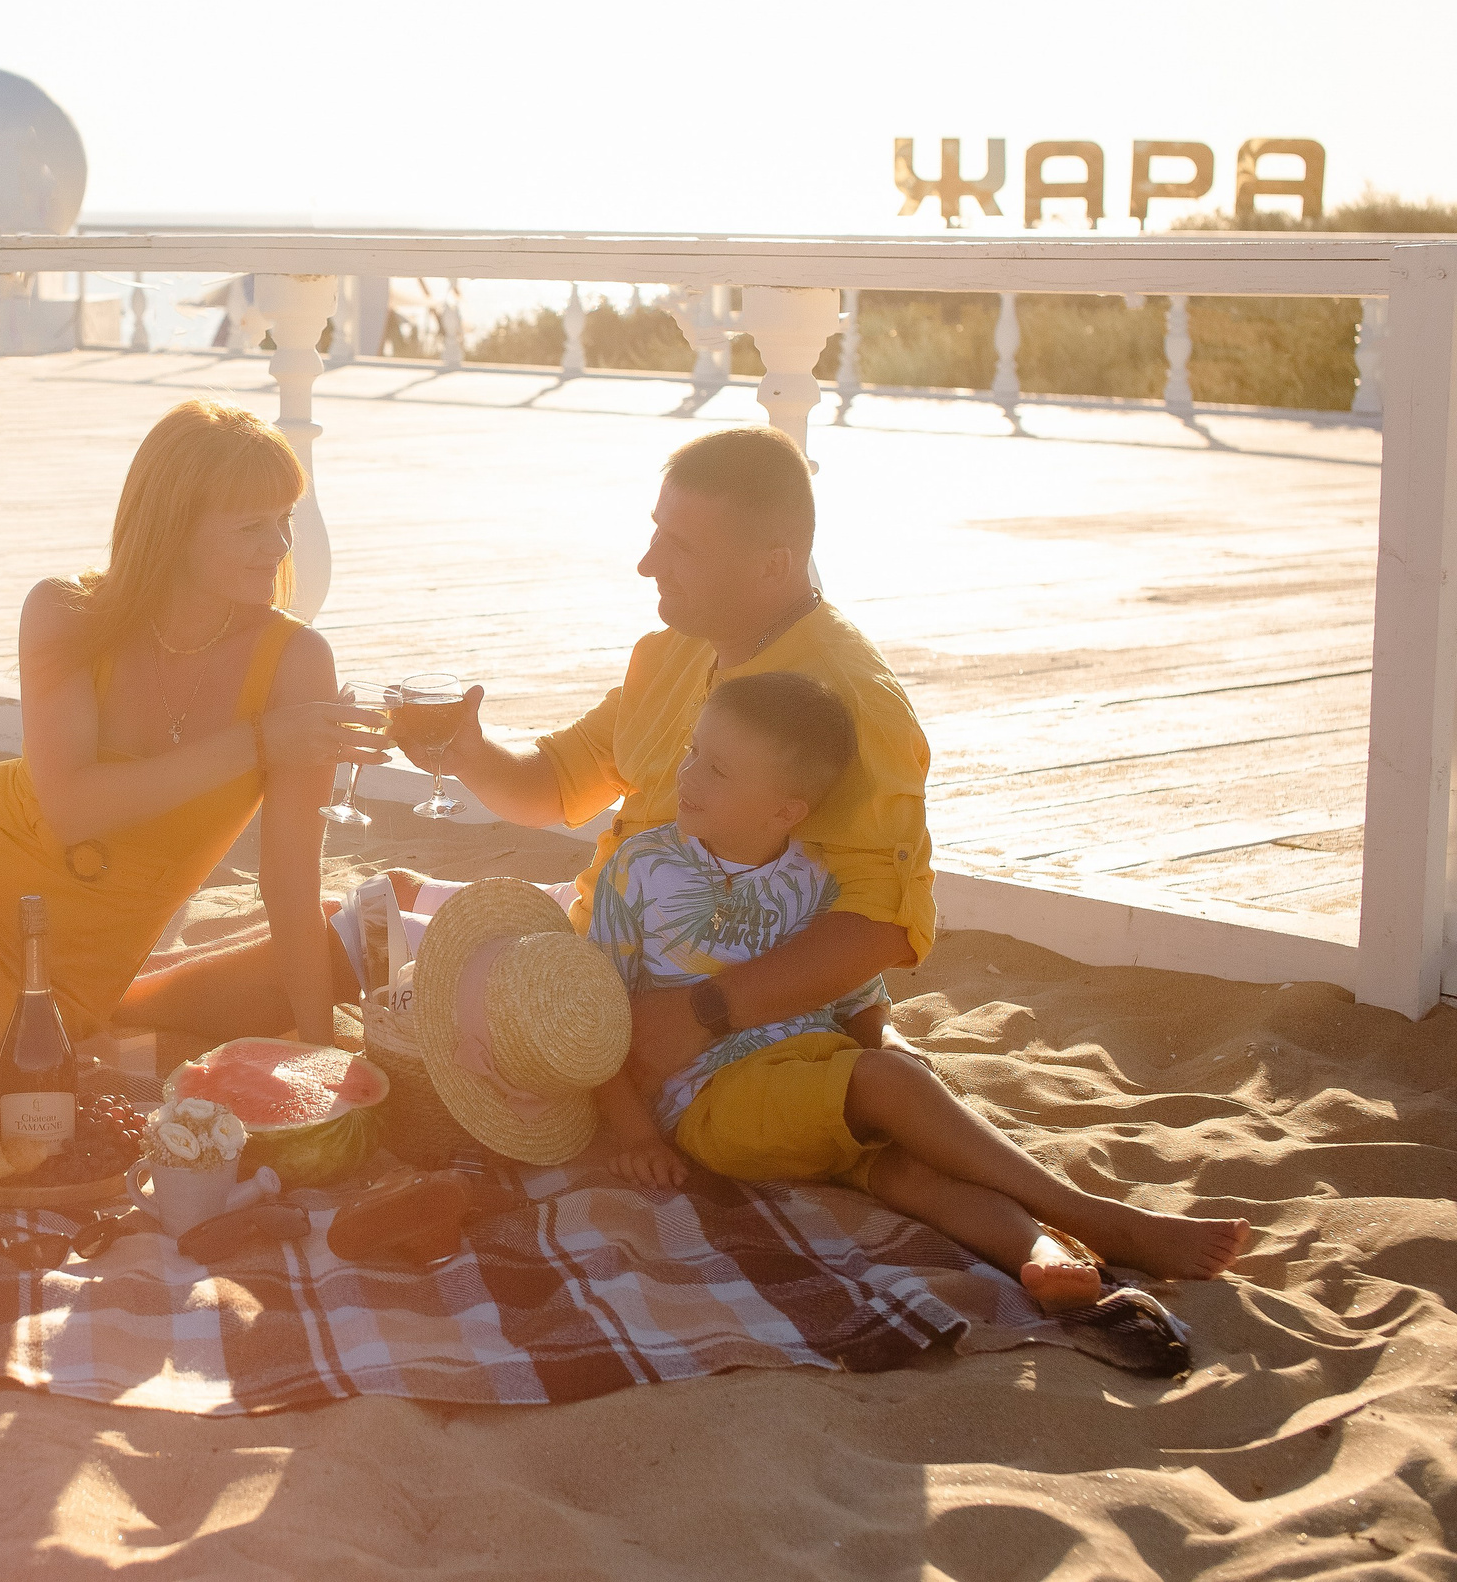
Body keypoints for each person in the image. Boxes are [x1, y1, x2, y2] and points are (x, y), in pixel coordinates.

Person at [589, 671, 1251, 1311]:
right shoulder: (639, 867)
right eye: (694, 750)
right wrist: (633, 1134)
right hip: (714, 1099)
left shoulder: (816, 883)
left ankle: (1042, 1252)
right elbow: (597, 1012)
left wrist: (900, 1079)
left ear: (786, 809)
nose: (688, 773)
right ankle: (1098, 1218)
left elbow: (856, 1001)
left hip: (820, 1081)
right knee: (889, 1084)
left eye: (718, 769)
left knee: (912, 1171)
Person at [0, 399, 388, 1103]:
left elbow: (291, 886)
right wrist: (258, 743)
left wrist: (320, 1068)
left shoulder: (295, 663)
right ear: (174, 528)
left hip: (53, 968)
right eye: (250, 527)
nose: (279, 548)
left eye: (285, 521)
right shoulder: (66, 610)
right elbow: (70, 807)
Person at [417, 425, 931, 1077]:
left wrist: (700, 1012)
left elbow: (878, 923)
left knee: (377, 958)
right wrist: (467, 753)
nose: (647, 563)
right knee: (368, 916)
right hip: (597, 947)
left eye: (680, 546)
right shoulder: (676, 649)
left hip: (686, 1004)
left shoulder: (851, 696)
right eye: (657, 531)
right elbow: (553, 783)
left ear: (773, 563)